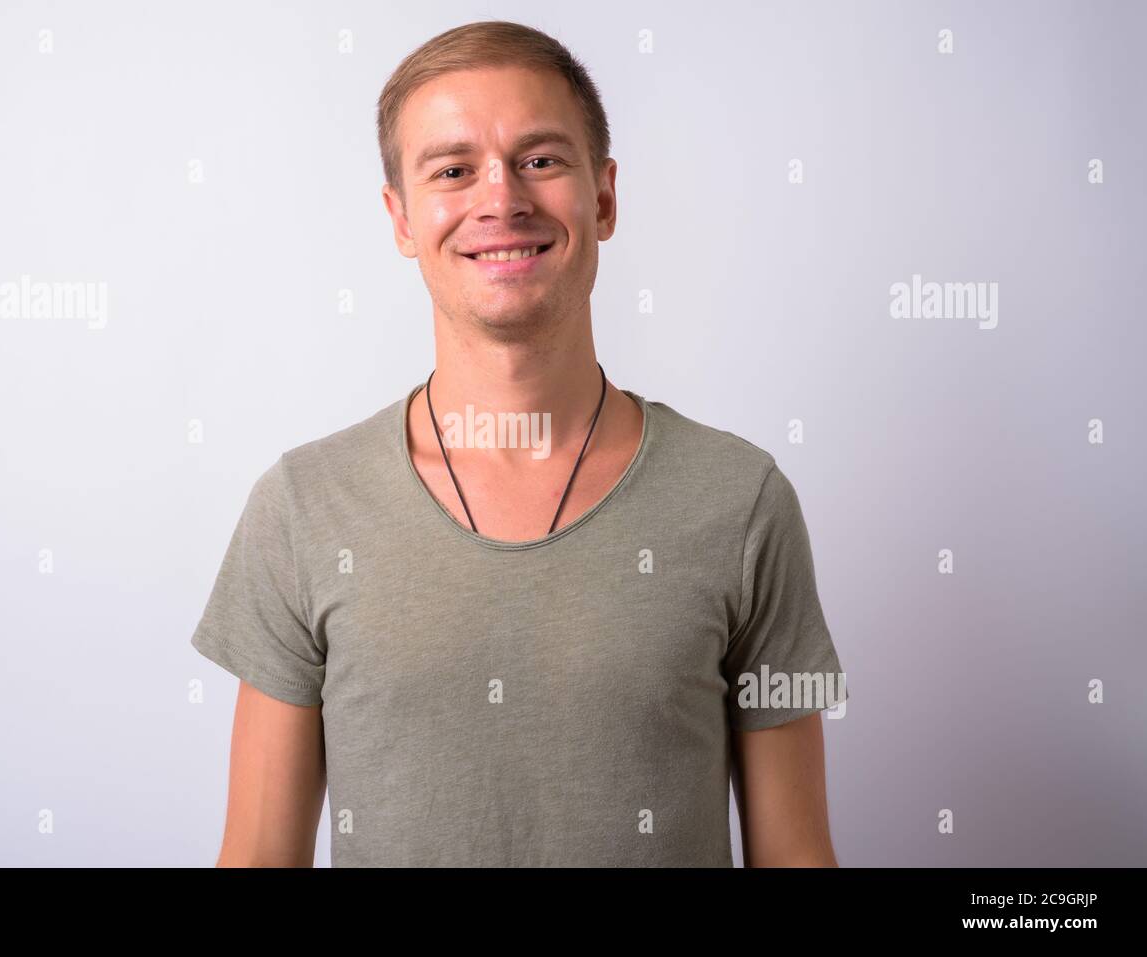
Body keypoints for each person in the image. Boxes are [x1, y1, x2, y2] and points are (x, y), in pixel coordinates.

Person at [190, 19, 848, 867]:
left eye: (540, 159)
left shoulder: (742, 500)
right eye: (454, 170)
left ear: (604, 197)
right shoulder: (302, 508)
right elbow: (255, 858)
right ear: (400, 217)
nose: (501, 199)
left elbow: (796, 857)